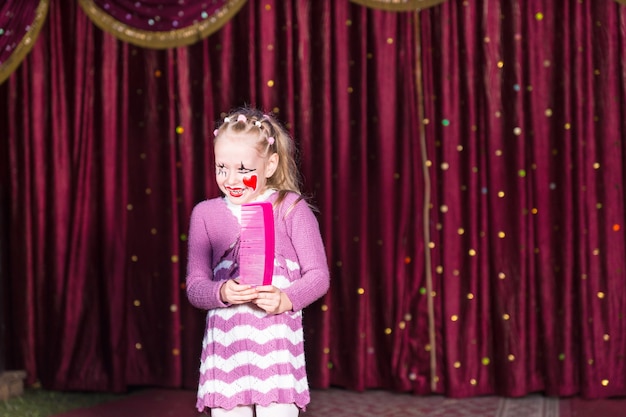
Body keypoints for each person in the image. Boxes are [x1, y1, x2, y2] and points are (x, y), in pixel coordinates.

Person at [185, 107, 330, 417]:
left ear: (270, 164)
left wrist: (286, 298)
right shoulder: (205, 214)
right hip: (227, 356)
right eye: (221, 167)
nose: (230, 179)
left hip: (275, 355)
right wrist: (221, 292)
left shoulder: (290, 208)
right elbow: (195, 286)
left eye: (243, 169)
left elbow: (318, 276)